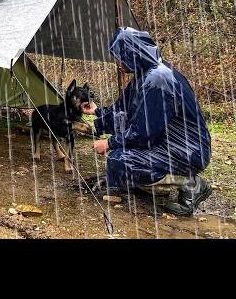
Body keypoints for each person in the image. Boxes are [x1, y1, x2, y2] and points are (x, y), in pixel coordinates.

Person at [82, 27, 212, 216]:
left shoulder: (158, 80)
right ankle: (145, 180)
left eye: (120, 57)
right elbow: (123, 110)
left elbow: (144, 132)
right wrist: (97, 115)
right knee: (119, 159)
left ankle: (190, 183)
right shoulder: (145, 76)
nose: (118, 63)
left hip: (187, 150)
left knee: (120, 161)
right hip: (168, 142)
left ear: (132, 54)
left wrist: (109, 143)